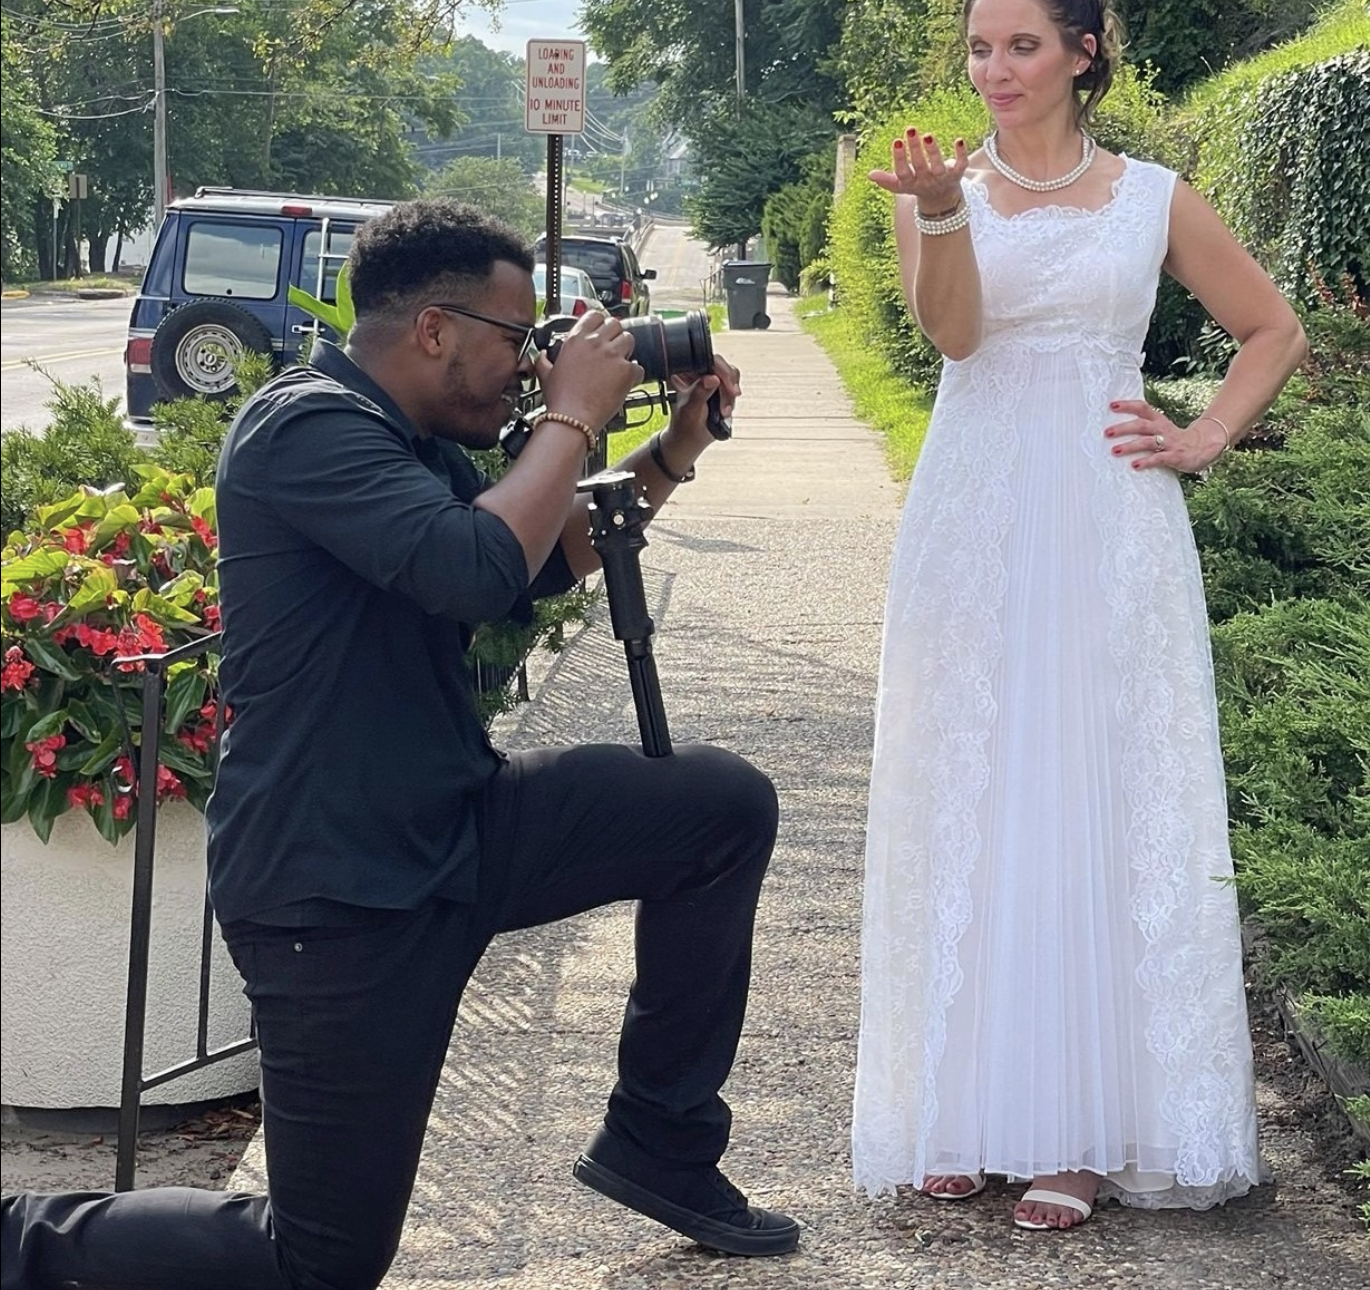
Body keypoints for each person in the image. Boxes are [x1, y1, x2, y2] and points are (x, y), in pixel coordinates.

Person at [2, 199, 800, 1288]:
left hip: (458, 825)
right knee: (321, 1265)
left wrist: (669, 449)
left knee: (717, 809)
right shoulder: (303, 426)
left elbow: (522, 571)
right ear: (435, 329)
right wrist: (571, 418)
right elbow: (469, 567)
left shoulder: (409, 435)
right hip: (334, 890)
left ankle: (658, 1139)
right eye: (517, 341)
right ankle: (20, 1237)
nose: (529, 367)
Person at [851, 0, 1307, 1234]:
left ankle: (1084, 1130)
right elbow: (952, 335)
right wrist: (940, 211)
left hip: (1107, 518)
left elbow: (1272, 330)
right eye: (980, 48)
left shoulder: (1152, 197)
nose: (993, 71)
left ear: (1081, 52)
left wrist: (1200, 435)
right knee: (968, 785)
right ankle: (966, 1111)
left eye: (1020, 46)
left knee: (1089, 796)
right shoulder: (935, 187)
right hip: (972, 509)